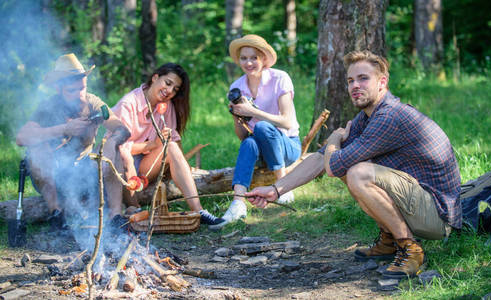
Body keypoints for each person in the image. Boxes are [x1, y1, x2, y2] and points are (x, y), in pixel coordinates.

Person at [245, 50, 462, 278]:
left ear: (382, 82)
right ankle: (389, 241)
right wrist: (276, 190)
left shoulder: (389, 117)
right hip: (420, 205)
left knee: (358, 173)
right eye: (350, 80)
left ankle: (410, 249)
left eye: (363, 78)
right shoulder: (369, 115)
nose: (355, 86)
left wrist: (334, 140)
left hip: (438, 217)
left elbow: (333, 167)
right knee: (352, 168)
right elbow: (321, 158)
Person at [16, 53, 130, 231]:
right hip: (54, 175)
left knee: (115, 148)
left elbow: (122, 128)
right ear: (59, 89)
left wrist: (111, 141)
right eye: (72, 91)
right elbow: (21, 138)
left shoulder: (92, 103)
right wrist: (63, 129)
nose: (80, 95)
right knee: (36, 150)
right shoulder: (48, 107)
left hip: (85, 173)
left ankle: (115, 216)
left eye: (82, 88)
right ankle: (57, 214)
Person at [111, 62, 225, 227]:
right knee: (124, 154)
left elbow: (173, 141)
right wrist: (151, 145)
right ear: (155, 77)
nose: (170, 91)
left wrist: (181, 165)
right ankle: (130, 207)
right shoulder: (128, 104)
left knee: (170, 146)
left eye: (175, 89)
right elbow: (120, 149)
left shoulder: (166, 106)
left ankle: (199, 211)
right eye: (168, 83)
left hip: (147, 166)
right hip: (121, 169)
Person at [212, 34, 302, 230]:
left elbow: (287, 121)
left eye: (254, 57)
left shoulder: (280, 78)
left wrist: (253, 112)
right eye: (244, 58)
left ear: (263, 58)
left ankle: (282, 186)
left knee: (261, 126)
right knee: (249, 142)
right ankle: (238, 202)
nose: (249, 62)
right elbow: (242, 136)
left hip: (288, 145)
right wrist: (236, 116)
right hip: (261, 149)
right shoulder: (237, 86)